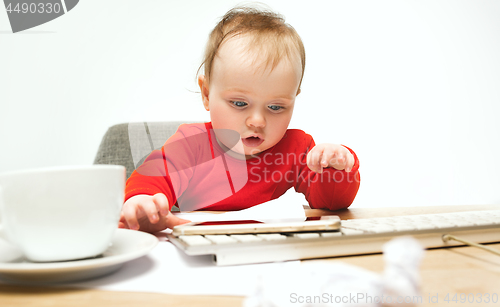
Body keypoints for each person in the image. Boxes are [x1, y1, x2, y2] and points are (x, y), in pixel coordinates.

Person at [119, 6, 360, 233]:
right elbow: (157, 174)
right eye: (240, 104)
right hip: (200, 251)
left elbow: (331, 203)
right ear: (206, 94)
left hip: (266, 251)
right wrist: (144, 202)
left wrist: (333, 167)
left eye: (276, 107)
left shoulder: (297, 149)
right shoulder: (192, 144)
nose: (257, 121)